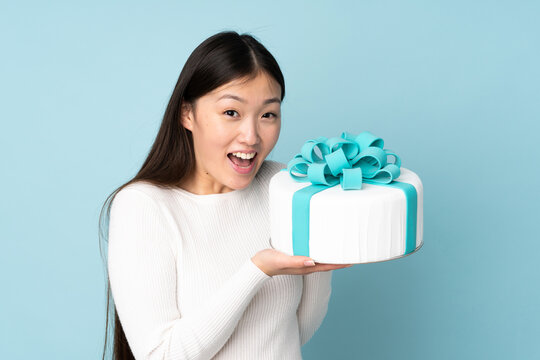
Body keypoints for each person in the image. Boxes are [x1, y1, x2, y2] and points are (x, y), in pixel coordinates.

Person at [99, 30, 353, 360]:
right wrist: (257, 269)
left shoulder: (285, 185)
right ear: (187, 114)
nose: (251, 136)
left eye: (268, 115)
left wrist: (322, 256)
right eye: (231, 112)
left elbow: (294, 329)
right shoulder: (144, 206)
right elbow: (161, 355)